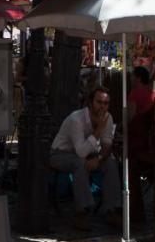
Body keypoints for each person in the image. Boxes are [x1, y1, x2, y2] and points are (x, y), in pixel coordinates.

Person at [50, 87, 123, 231]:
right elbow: (81, 152)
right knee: (80, 163)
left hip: (87, 154)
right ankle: (82, 211)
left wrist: (100, 159)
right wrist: (97, 131)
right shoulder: (76, 119)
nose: (102, 106)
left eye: (106, 103)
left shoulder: (107, 118)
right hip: (60, 154)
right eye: (99, 102)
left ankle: (111, 210)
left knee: (110, 162)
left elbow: (107, 145)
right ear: (90, 102)